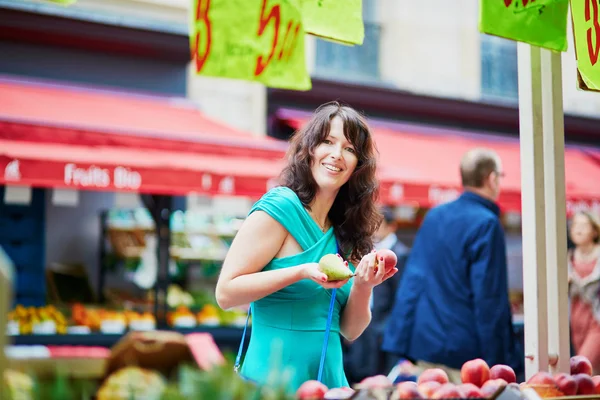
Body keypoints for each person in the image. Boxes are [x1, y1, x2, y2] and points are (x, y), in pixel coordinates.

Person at [215, 102, 398, 392]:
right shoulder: (280, 208)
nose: (336, 155)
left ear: (358, 166)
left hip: (329, 380)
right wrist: (300, 271)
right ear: (310, 149)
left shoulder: (347, 230)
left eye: (349, 149)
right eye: (328, 141)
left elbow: (349, 330)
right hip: (273, 383)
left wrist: (364, 285)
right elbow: (226, 294)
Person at [382, 148, 523, 383]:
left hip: (424, 347)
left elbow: (413, 281)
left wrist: (399, 341)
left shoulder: (435, 215)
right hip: (466, 356)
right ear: (491, 178)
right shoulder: (486, 223)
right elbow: (489, 299)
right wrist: (501, 362)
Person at [343, 206, 410, 382]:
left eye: (378, 225)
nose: (374, 230)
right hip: (366, 322)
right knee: (360, 372)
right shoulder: (369, 250)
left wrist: (387, 327)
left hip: (383, 327)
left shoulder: (401, 254)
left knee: (380, 377)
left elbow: (401, 297)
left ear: (391, 226)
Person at [568, 211, 600, 374]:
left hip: (596, 319)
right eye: (575, 225)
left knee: (583, 366)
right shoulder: (569, 256)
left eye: (583, 226)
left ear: (594, 231)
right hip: (576, 318)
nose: (578, 230)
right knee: (592, 369)